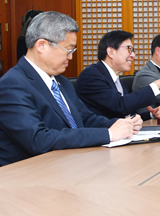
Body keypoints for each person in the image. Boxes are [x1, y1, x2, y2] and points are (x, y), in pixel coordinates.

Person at [0, 12, 141, 166]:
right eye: (68, 50)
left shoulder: (61, 81)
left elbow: (85, 119)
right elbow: (38, 139)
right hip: (31, 171)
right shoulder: (12, 84)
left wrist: (122, 124)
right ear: (41, 45)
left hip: (70, 163)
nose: (70, 57)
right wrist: (108, 134)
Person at [75, 30, 160, 120]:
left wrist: (151, 114)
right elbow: (120, 106)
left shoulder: (117, 79)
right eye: (129, 49)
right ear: (111, 52)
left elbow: (127, 114)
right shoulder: (91, 75)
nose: (133, 55)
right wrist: (157, 85)